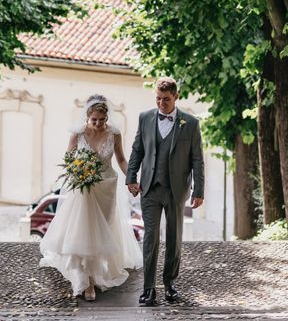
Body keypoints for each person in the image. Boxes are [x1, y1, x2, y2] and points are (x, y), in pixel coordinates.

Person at [39, 94, 143, 301]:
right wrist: (77, 172)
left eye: (101, 120)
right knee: (85, 231)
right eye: (93, 119)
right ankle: (88, 281)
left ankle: (98, 272)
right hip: (84, 188)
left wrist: (131, 179)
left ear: (107, 118)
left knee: (103, 230)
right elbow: (68, 159)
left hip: (107, 187)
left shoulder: (114, 134)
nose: (97, 123)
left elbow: (121, 159)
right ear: (87, 117)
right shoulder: (78, 134)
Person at [126, 77, 205, 306]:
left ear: (176, 97)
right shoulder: (145, 118)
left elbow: (197, 159)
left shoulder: (190, 123)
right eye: (158, 99)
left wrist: (198, 190)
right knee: (150, 238)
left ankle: (170, 284)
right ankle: (149, 288)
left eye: (166, 100)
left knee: (174, 238)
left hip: (176, 190)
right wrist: (131, 177)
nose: (162, 103)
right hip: (149, 188)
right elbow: (137, 150)